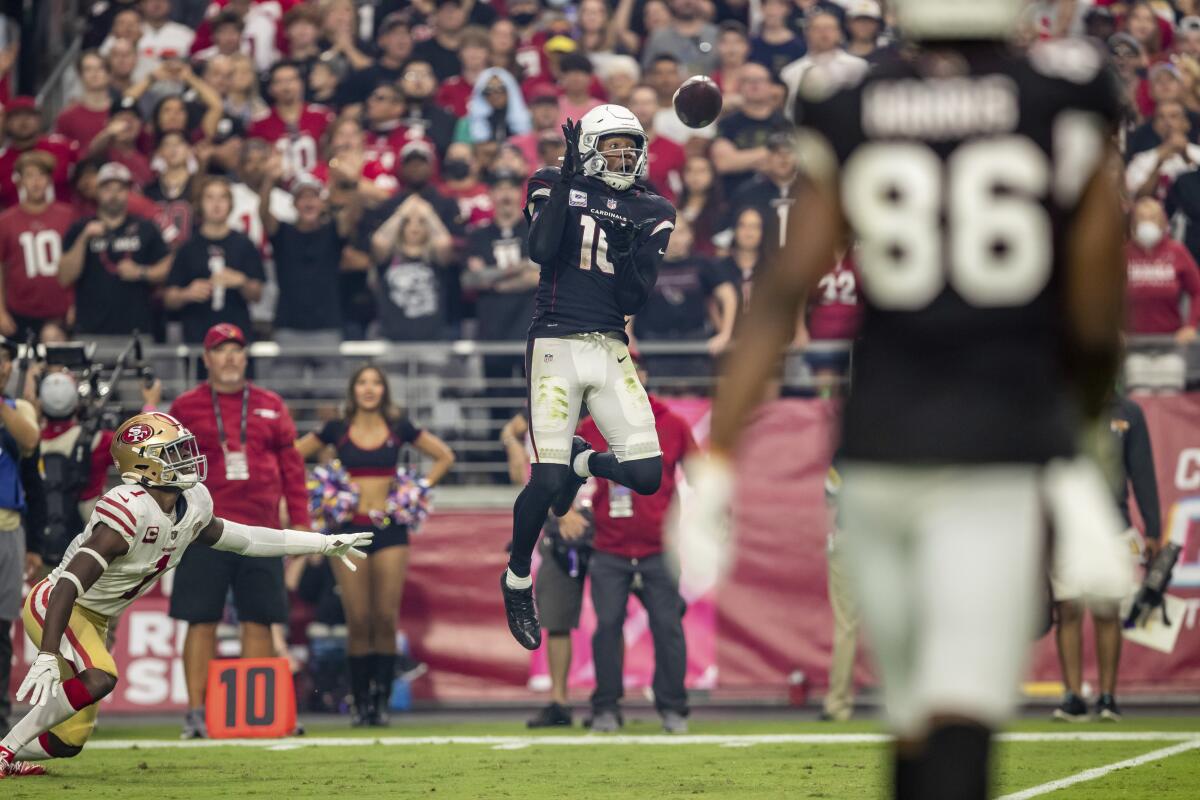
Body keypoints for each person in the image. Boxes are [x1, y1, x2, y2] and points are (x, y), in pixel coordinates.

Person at [688, 3, 1129, 797]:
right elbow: (1097, 316)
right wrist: (1079, 442)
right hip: (995, 443)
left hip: (881, 448)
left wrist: (718, 461)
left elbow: (784, 290)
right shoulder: (1062, 90)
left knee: (916, 714)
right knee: (960, 718)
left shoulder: (854, 98)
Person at [0, 410, 371, 775]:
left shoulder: (192, 504)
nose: (186, 459)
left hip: (95, 616)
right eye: (172, 452)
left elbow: (247, 538)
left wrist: (322, 543)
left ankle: (9, 755)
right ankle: (6, 749)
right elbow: (67, 582)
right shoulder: (127, 512)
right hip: (58, 605)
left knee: (69, 741)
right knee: (100, 676)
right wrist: (47, 653)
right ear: (143, 465)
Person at [499, 106, 676, 651]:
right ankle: (516, 578)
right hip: (554, 339)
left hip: (609, 343)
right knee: (547, 485)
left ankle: (583, 460)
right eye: (614, 145)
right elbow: (541, 251)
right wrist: (571, 179)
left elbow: (631, 299)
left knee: (646, 473)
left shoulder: (653, 207)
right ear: (590, 146)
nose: (625, 156)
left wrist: (627, 259)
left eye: (631, 146)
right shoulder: (553, 181)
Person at [167, 323, 313, 739]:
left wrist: (300, 520)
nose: (230, 358)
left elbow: (292, 468)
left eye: (236, 350)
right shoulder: (185, 406)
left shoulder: (270, 404)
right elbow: (166, 471)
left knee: (259, 619)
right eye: (221, 350)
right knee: (200, 620)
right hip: (203, 528)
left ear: (246, 357)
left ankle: (256, 710)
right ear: (206, 358)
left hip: (261, 529)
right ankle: (195, 712)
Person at [296, 365, 455, 725]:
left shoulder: (399, 427)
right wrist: (319, 490)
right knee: (359, 619)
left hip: (390, 530)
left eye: (376, 383)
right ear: (353, 390)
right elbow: (291, 454)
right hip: (348, 531)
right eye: (362, 383)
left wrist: (416, 490)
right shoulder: (336, 429)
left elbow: (444, 456)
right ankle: (360, 703)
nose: (369, 389)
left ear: (384, 390)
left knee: (385, 618)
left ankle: (380, 704)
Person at [583, 354, 694, 734]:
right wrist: (562, 512)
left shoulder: (673, 424)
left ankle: (674, 708)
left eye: (634, 368)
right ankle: (605, 707)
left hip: (657, 549)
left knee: (668, 626)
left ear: (643, 376)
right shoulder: (588, 426)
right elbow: (557, 471)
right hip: (608, 547)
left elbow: (699, 475)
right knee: (607, 626)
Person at [1052, 392, 1161, 723]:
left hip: (1113, 522)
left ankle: (1108, 696)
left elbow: (1141, 470)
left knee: (1107, 610)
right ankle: (1072, 696)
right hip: (1065, 520)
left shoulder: (1128, 412)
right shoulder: (1058, 404)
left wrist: (1153, 528)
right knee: (1068, 608)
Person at [499, 410, 592, 728]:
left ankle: (609, 699)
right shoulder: (544, 422)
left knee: (612, 616)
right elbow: (522, 479)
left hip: (608, 526)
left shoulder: (609, 418)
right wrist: (511, 439)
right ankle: (560, 701)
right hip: (559, 531)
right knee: (556, 618)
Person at [58, 162, 172, 344]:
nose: (114, 195)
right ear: (98, 191)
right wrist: (84, 238)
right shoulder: (80, 228)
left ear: (128, 192)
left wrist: (141, 272)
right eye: (107, 189)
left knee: (137, 374)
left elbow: (168, 267)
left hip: (137, 331)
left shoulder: (145, 228)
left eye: (120, 189)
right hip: (90, 331)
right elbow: (64, 277)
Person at [164, 176, 265, 344]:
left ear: (231, 204)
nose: (216, 204)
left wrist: (241, 281)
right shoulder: (188, 248)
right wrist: (186, 294)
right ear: (200, 204)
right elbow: (168, 298)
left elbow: (257, 294)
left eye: (222, 197)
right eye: (210, 197)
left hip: (236, 339)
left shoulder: (245, 244)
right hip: (198, 339)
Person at [0, 336, 40, 739]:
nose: (1, 366)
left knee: (1, 629)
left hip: (8, 528)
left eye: (4, 360)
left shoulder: (18, 409)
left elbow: (30, 441)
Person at [1124, 197, 1200, 393]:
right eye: (1142, 218)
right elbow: (1105, 296)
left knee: (1170, 396)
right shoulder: (1122, 255)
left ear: (1162, 222)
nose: (1147, 223)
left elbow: (1197, 290)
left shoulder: (1177, 252)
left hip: (1171, 344)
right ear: (1133, 222)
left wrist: (1191, 325)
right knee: (1139, 395)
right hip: (1133, 345)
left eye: (1153, 218)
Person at [0, 152, 77, 340]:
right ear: (20, 181)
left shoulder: (68, 216)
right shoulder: (6, 221)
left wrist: (77, 304)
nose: (36, 182)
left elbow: (79, 264)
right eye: (29, 175)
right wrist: (0, 311)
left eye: (41, 175)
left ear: (50, 179)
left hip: (60, 312)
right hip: (19, 312)